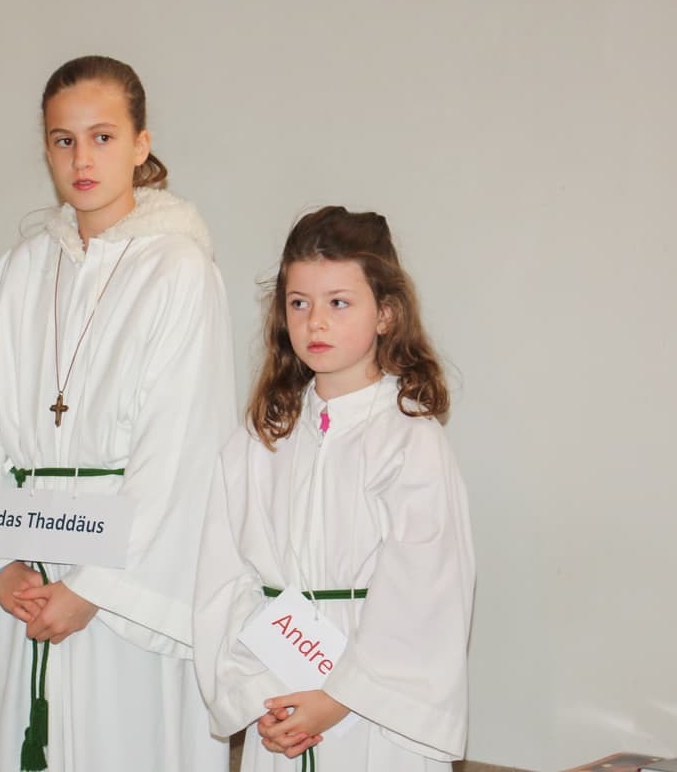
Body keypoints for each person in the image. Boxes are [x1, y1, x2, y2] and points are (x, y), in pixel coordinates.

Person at [0, 55, 236, 771]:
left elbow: (181, 450)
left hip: (124, 593)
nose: (82, 159)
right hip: (29, 570)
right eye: (63, 140)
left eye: (103, 137)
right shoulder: (18, 271)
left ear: (141, 145)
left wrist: (93, 589)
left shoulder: (179, 270)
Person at [193, 206, 475, 770]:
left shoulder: (408, 439)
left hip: (376, 709)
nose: (315, 323)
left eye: (338, 303)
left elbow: (424, 591)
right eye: (299, 303)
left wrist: (339, 697)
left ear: (385, 314)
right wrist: (256, 689)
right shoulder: (261, 435)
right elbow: (224, 575)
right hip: (275, 685)